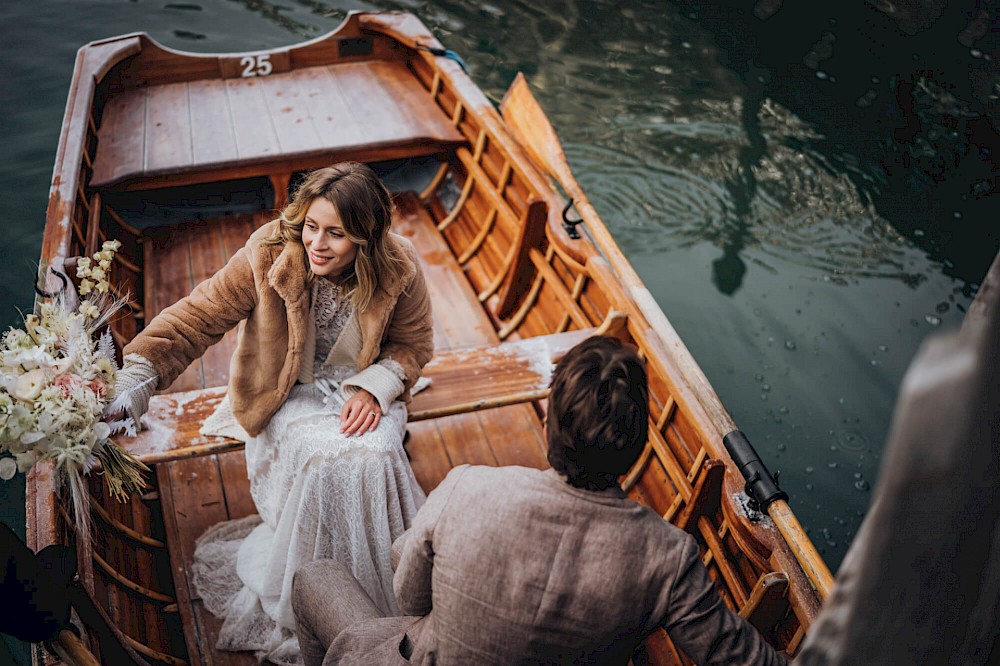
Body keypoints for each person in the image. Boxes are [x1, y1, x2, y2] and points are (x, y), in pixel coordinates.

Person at [291, 335, 788, 665]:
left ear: (549, 422)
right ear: (637, 448)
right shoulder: (669, 557)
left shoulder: (470, 487)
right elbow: (735, 656)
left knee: (314, 578)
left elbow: (410, 598)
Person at [114, 162, 434, 665]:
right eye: (311, 226)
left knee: (374, 452)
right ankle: (312, 587)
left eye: (336, 234)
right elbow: (199, 316)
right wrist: (139, 372)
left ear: (367, 239)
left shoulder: (400, 263)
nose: (317, 244)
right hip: (285, 391)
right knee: (324, 456)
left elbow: (413, 345)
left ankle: (381, 584)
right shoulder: (267, 253)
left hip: (366, 386)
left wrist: (376, 389)